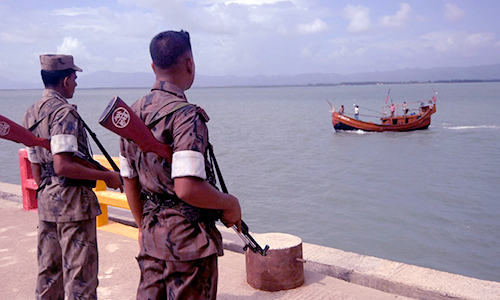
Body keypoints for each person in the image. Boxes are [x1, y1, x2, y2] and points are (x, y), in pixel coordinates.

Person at [119, 30, 242, 299]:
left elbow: (129, 180)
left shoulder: (130, 114)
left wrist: (142, 227)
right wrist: (230, 203)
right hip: (188, 244)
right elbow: (187, 188)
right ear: (190, 63)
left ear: (153, 66)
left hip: (151, 235)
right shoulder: (186, 116)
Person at [22, 54, 123, 300]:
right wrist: (105, 177)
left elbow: (37, 165)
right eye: (75, 78)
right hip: (73, 205)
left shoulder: (31, 113)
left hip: (47, 202)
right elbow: (63, 165)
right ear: (65, 80)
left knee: (49, 275)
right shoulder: (63, 113)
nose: (76, 84)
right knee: (81, 280)